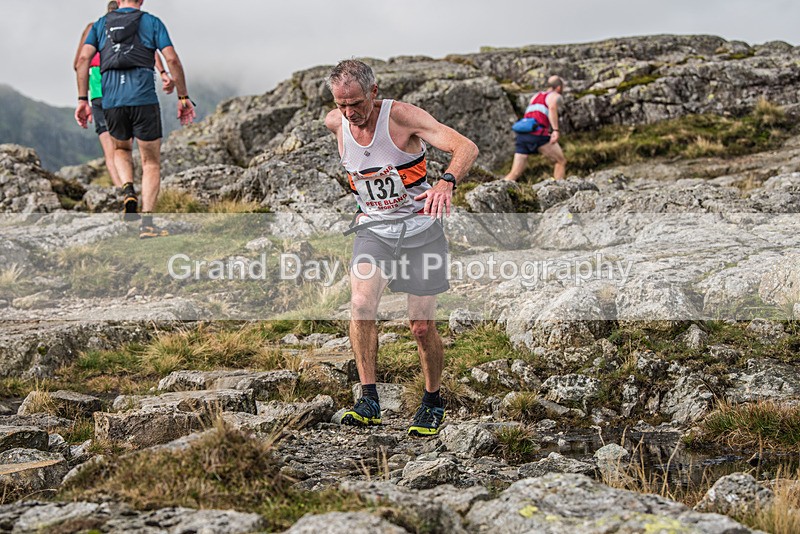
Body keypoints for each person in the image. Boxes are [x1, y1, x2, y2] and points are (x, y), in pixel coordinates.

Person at [324, 60, 479, 437]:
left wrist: (445, 182)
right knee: (361, 304)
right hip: (373, 231)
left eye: (357, 103)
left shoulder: (402, 117)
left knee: (422, 327)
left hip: (420, 230)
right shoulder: (335, 122)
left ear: (374, 93)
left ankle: (432, 401)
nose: (350, 113)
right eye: (342, 105)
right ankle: (369, 400)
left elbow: (466, 147)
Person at [74, 0, 195, 238]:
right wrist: (183, 96)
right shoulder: (151, 22)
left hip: (111, 102)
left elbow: (81, 61)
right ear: (141, 0)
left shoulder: (99, 25)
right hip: (143, 99)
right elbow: (172, 60)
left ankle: (128, 190)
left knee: (121, 149)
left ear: (117, 1)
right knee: (150, 162)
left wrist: (82, 100)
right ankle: (147, 223)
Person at [73, 1, 175, 192]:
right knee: (144, 155)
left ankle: (125, 194)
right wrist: (163, 73)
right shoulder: (140, 24)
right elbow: (150, 52)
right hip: (131, 91)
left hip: (99, 95)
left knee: (114, 150)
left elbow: (79, 62)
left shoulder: (94, 28)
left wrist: (82, 98)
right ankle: (138, 201)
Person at [504, 75, 567, 182]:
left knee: (514, 173)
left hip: (523, 135)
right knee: (560, 161)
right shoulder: (554, 95)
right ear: (559, 88)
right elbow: (552, 108)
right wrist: (555, 130)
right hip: (538, 134)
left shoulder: (535, 96)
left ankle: (498, 188)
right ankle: (559, 188)